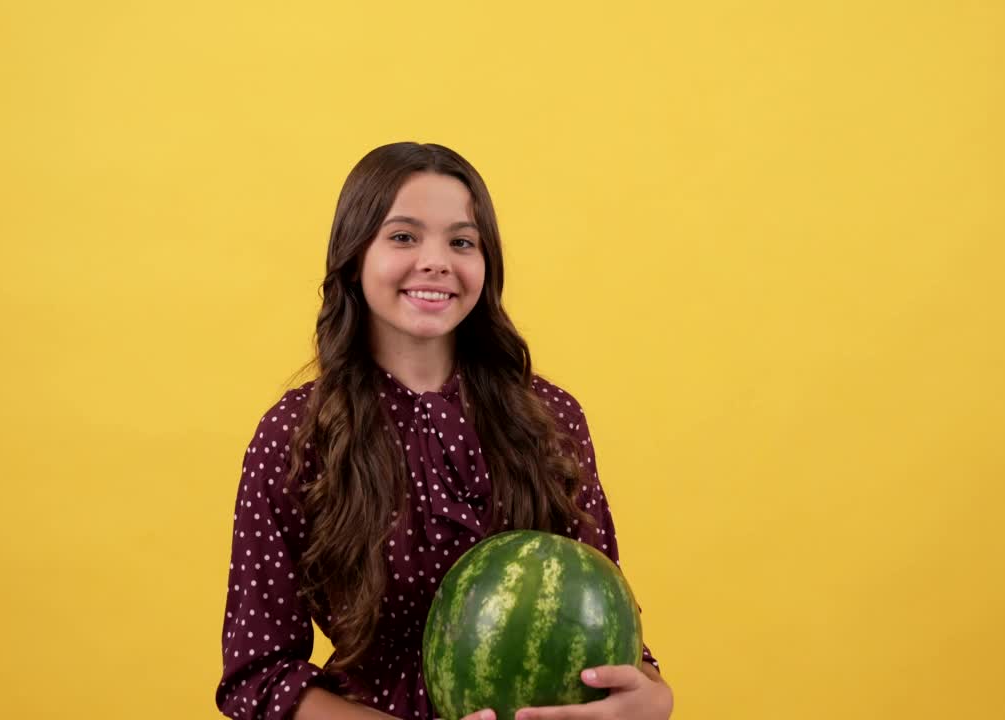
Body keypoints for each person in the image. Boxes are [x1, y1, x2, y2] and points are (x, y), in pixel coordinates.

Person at [215, 142, 673, 720]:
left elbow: (600, 607)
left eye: (461, 241)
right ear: (355, 256)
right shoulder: (294, 436)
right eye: (403, 236)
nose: (436, 261)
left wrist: (649, 695)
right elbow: (259, 675)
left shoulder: (551, 418)